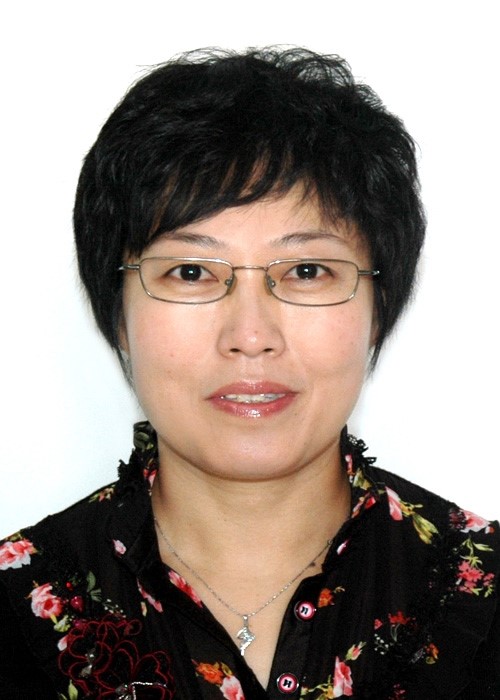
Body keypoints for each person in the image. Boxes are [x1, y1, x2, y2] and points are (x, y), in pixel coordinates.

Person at [0, 47, 498, 700]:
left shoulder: (483, 600)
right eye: (191, 272)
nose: (251, 336)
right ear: (117, 315)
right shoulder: (16, 612)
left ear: (378, 311)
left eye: (307, 271)